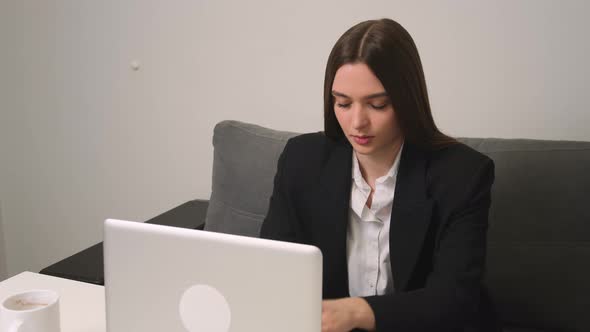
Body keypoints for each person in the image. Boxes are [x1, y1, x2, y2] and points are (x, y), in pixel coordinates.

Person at [260, 18, 500, 332]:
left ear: (407, 101)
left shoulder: (463, 175)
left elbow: (455, 300)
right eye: (343, 103)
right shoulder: (301, 160)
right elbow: (272, 268)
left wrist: (357, 312)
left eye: (378, 104)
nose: (357, 122)